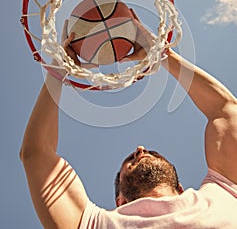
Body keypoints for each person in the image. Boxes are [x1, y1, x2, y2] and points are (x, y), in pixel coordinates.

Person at [20, 17, 237, 229]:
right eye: (130, 159)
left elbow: (226, 111)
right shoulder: (94, 223)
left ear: (180, 189)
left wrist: (162, 54)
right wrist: (59, 70)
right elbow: (36, 154)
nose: (140, 149)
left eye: (145, 152)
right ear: (121, 201)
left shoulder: (223, 193)